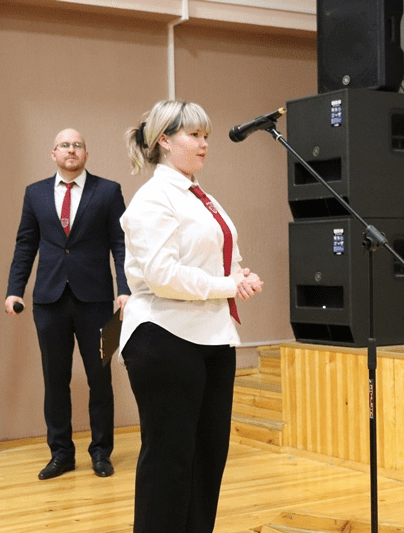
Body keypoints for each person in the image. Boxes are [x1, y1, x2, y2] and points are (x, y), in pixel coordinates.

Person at [119, 100, 263, 533]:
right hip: (164, 337)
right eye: (194, 135)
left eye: (206, 136)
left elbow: (220, 258)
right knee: (169, 463)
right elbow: (162, 276)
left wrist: (240, 275)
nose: (204, 144)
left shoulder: (202, 197)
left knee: (207, 459)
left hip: (213, 338)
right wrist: (226, 285)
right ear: (164, 140)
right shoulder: (153, 199)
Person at [5, 128, 130, 480]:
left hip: (99, 302)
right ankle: (61, 454)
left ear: (86, 155)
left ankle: (101, 453)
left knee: (101, 378)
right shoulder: (35, 193)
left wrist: (126, 290)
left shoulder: (109, 191)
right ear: (54, 154)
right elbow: (25, 244)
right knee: (55, 380)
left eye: (77, 145)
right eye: (64, 145)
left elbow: (121, 244)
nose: (71, 150)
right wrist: (15, 290)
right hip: (49, 301)